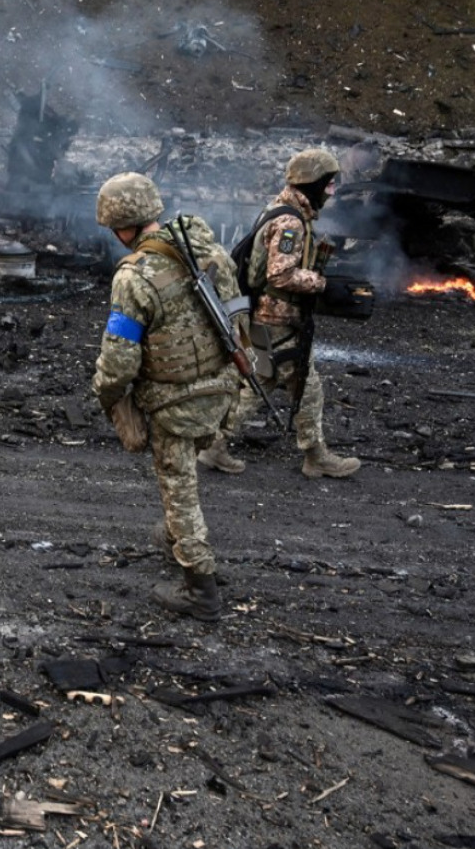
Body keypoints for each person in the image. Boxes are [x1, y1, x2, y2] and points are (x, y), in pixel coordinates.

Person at [92, 172, 239, 622]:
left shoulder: (134, 277)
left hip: (174, 403)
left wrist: (106, 395)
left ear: (123, 227)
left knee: (179, 488)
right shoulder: (210, 252)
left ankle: (201, 587)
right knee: (186, 475)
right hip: (222, 390)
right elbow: (238, 318)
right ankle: (178, 537)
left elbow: (119, 360)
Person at [197, 148, 361, 479]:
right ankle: (316, 456)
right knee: (306, 385)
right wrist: (323, 284)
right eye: (328, 184)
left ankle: (213, 446)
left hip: (263, 315)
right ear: (312, 183)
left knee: (261, 381)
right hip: (277, 318)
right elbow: (280, 275)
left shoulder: (279, 209)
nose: (331, 191)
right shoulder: (291, 223)